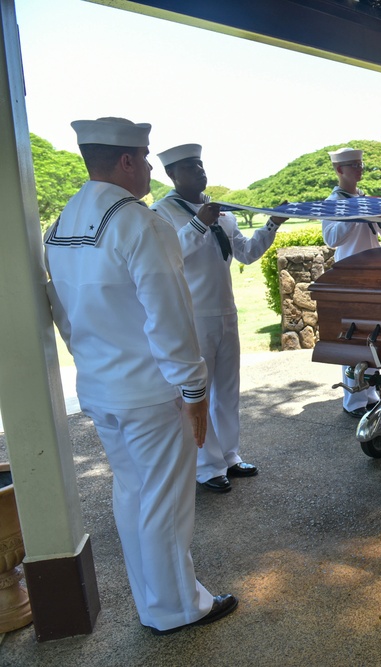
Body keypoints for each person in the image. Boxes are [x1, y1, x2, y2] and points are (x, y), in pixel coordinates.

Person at [43, 118, 236, 634]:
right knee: (167, 504)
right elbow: (168, 317)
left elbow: (62, 311)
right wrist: (193, 386)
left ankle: (154, 604)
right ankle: (178, 608)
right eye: (147, 157)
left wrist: (91, 360)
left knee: (132, 494)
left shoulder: (60, 224)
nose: (151, 167)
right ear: (126, 161)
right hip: (152, 392)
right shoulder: (141, 223)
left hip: (101, 387)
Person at [151, 144, 285, 494]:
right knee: (200, 395)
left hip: (226, 312)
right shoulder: (162, 214)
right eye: (189, 166)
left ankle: (229, 456)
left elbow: (247, 253)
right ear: (171, 175)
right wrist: (198, 223)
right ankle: (206, 465)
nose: (199, 170)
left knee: (228, 391)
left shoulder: (223, 214)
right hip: (193, 316)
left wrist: (271, 223)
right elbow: (170, 257)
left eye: (200, 164)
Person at [321, 147, 381, 416]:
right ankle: (354, 401)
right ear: (339, 170)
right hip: (350, 277)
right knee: (353, 338)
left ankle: (371, 392)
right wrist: (354, 213)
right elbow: (331, 239)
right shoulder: (333, 202)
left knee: (375, 336)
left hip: (375, 276)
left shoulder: (367, 198)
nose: (360, 169)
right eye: (353, 165)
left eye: (360, 164)